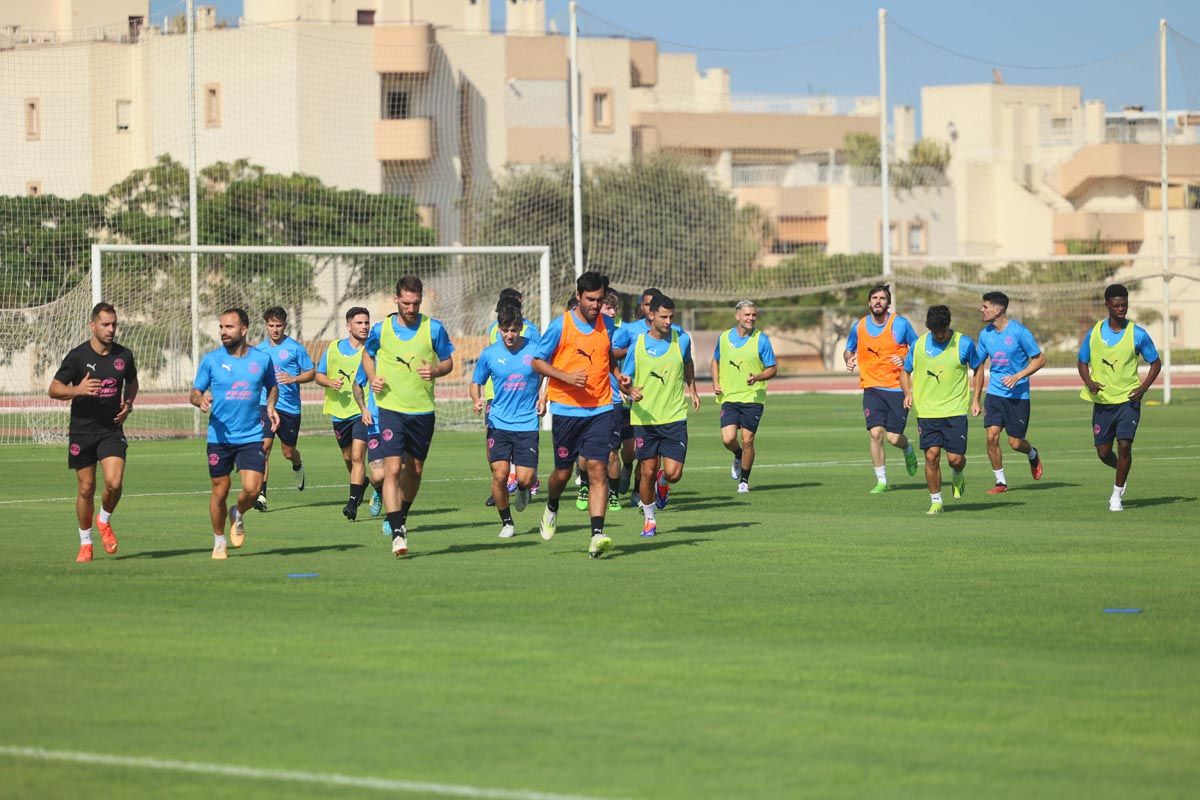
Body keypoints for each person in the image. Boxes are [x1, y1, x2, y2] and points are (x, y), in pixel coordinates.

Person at [361, 275, 455, 557]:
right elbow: (367, 355)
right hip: (390, 409)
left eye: (416, 303)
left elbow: (448, 362)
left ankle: (401, 514)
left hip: (422, 411)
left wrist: (435, 370)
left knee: (414, 470)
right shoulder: (381, 330)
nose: (411, 308)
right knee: (392, 469)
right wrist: (373, 377)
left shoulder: (433, 329)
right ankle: (397, 532)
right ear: (396, 300)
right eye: (406, 303)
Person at [532, 271, 619, 558]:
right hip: (567, 410)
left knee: (598, 469)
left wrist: (620, 377)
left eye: (600, 299)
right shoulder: (561, 326)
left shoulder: (608, 325)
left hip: (601, 407)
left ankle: (597, 534)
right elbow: (537, 362)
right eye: (590, 299)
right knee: (563, 473)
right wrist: (566, 377)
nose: (596, 305)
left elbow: (606, 357)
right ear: (579, 296)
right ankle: (552, 506)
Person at [48, 302, 139, 563]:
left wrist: (128, 404)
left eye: (114, 324)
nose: (111, 329)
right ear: (93, 325)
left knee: (114, 482)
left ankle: (104, 520)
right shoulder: (77, 357)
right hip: (82, 431)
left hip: (111, 430)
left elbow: (132, 381)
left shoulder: (124, 355)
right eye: (105, 324)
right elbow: (54, 389)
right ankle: (86, 542)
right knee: (86, 488)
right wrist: (77, 390)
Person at [190, 308, 279, 559]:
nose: (223, 332)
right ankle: (219, 540)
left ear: (244, 329)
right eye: (221, 327)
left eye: (229, 327)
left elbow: (272, 385)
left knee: (253, 489)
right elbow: (195, 392)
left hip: (251, 435)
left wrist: (271, 406)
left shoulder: (261, 359)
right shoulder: (211, 360)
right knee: (220, 490)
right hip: (219, 437)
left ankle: (237, 513)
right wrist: (200, 400)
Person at [618, 294, 701, 537]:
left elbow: (687, 362)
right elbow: (625, 379)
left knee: (674, 473)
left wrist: (692, 388)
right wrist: (629, 390)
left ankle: (664, 483)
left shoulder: (681, 340)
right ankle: (649, 520)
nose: (668, 321)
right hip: (645, 419)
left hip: (674, 416)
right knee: (647, 472)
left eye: (671, 317)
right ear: (651, 315)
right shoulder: (638, 345)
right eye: (663, 317)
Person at [1077, 284, 1161, 512]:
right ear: (1107, 305)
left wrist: (1143, 388)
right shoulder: (1094, 332)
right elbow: (1082, 361)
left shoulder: (1138, 333)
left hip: (1128, 400)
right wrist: (1089, 381)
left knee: (1125, 445)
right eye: (1117, 305)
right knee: (1104, 452)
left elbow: (1155, 362)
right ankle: (1121, 471)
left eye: (1124, 304)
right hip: (1103, 402)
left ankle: (1116, 495)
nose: (1121, 308)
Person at [470, 304, 546, 538]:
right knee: (500, 475)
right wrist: (476, 399)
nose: (509, 335)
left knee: (525, 477)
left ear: (521, 328)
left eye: (514, 330)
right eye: (505, 330)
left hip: (527, 423)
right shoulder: (490, 354)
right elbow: (476, 381)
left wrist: (543, 397)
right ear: (499, 329)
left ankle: (524, 489)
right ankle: (507, 522)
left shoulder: (534, 350)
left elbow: (548, 375)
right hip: (499, 423)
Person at [900, 305, 982, 515]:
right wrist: (908, 393)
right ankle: (936, 501)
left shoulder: (963, 343)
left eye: (942, 331)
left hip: (955, 411)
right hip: (927, 412)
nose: (939, 335)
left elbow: (978, 368)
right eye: (935, 331)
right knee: (931, 456)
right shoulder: (918, 345)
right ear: (929, 327)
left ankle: (958, 474)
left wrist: (976, 399)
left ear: (949, 325)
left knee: (955, 459)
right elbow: (905, 371)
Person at [843, 284, 919, 493]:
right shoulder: (859, 326)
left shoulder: (900, 324)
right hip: (872, 388)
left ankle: (908, 448)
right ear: (869, 302)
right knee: (876, 433)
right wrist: (849, 360)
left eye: (882, 298)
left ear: (888, 303)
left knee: (893, 438)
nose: (878, 301)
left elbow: (918, 349)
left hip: (897, 388)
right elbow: (849, 350)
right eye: (874, 298)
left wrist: (904, 358)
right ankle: (882, 481)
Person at [970, 291, 1046, 494]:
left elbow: (1040, 360)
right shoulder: (985, 335)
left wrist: (1018, 376)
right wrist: (976, 399)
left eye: (985, 307)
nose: (982, 310)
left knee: (1015, 443)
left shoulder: (1019, 332)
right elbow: (979, 367)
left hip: (1018, 396)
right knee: (991, 437)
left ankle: (1032, 454)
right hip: (995, 394)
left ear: (998, 310)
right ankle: (1000, 482)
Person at [315, 306, 382, 521]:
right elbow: (318, 375)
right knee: (348, 458)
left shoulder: (373, 350)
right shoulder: (334, 348)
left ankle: (352, 504)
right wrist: (329, 382)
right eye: (359, 323)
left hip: (363, 412)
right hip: (339, 413)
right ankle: (366, 484)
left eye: (366, 322)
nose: (364, 327)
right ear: (348, 326)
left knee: (357, 456)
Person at [481, 289, 540, 508]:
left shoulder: (531, 332)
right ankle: (501, 484)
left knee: (522, 451)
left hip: (524, 400)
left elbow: (541, 363)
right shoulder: (492, 330)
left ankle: (524, 481)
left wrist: (541, 395)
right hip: (494, 396)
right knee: (492, 447)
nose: (508, 334)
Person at [710, 299, 777, 493]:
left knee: (748, 440)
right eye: (747, 314)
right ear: (737, 315)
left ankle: (744, 481)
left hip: (753, 398)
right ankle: (738, 455)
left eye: (754, 315)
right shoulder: (724, 337)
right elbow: (715, 361)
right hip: (729, 397)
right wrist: (715, 382)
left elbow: (772, 369)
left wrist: (758, 377)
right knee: (728, 439)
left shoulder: (761, 339)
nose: (751, 318)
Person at [253, 307, 314, 511]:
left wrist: (294, 378)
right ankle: (261, 495)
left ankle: (297, 464)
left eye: (278, 325)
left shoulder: (295, 348)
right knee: (264, 448)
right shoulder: (259, 350)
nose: (275, 329)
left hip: (289, 408)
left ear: (285, 325)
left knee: (288, 452)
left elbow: (311, 372)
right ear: (266, 326)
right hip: (266, 404)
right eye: (271, 325)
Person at [601, 289, 634, 511]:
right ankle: (587, 486)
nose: (613, 312)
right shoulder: (586, 332)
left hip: (614, 399)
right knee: (590, 453)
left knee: (617, 451)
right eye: (608, 307)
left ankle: (613, 493)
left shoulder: (623, 333)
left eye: (615, 308)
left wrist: (626, 383)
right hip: (591, 401)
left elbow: (633, 356)